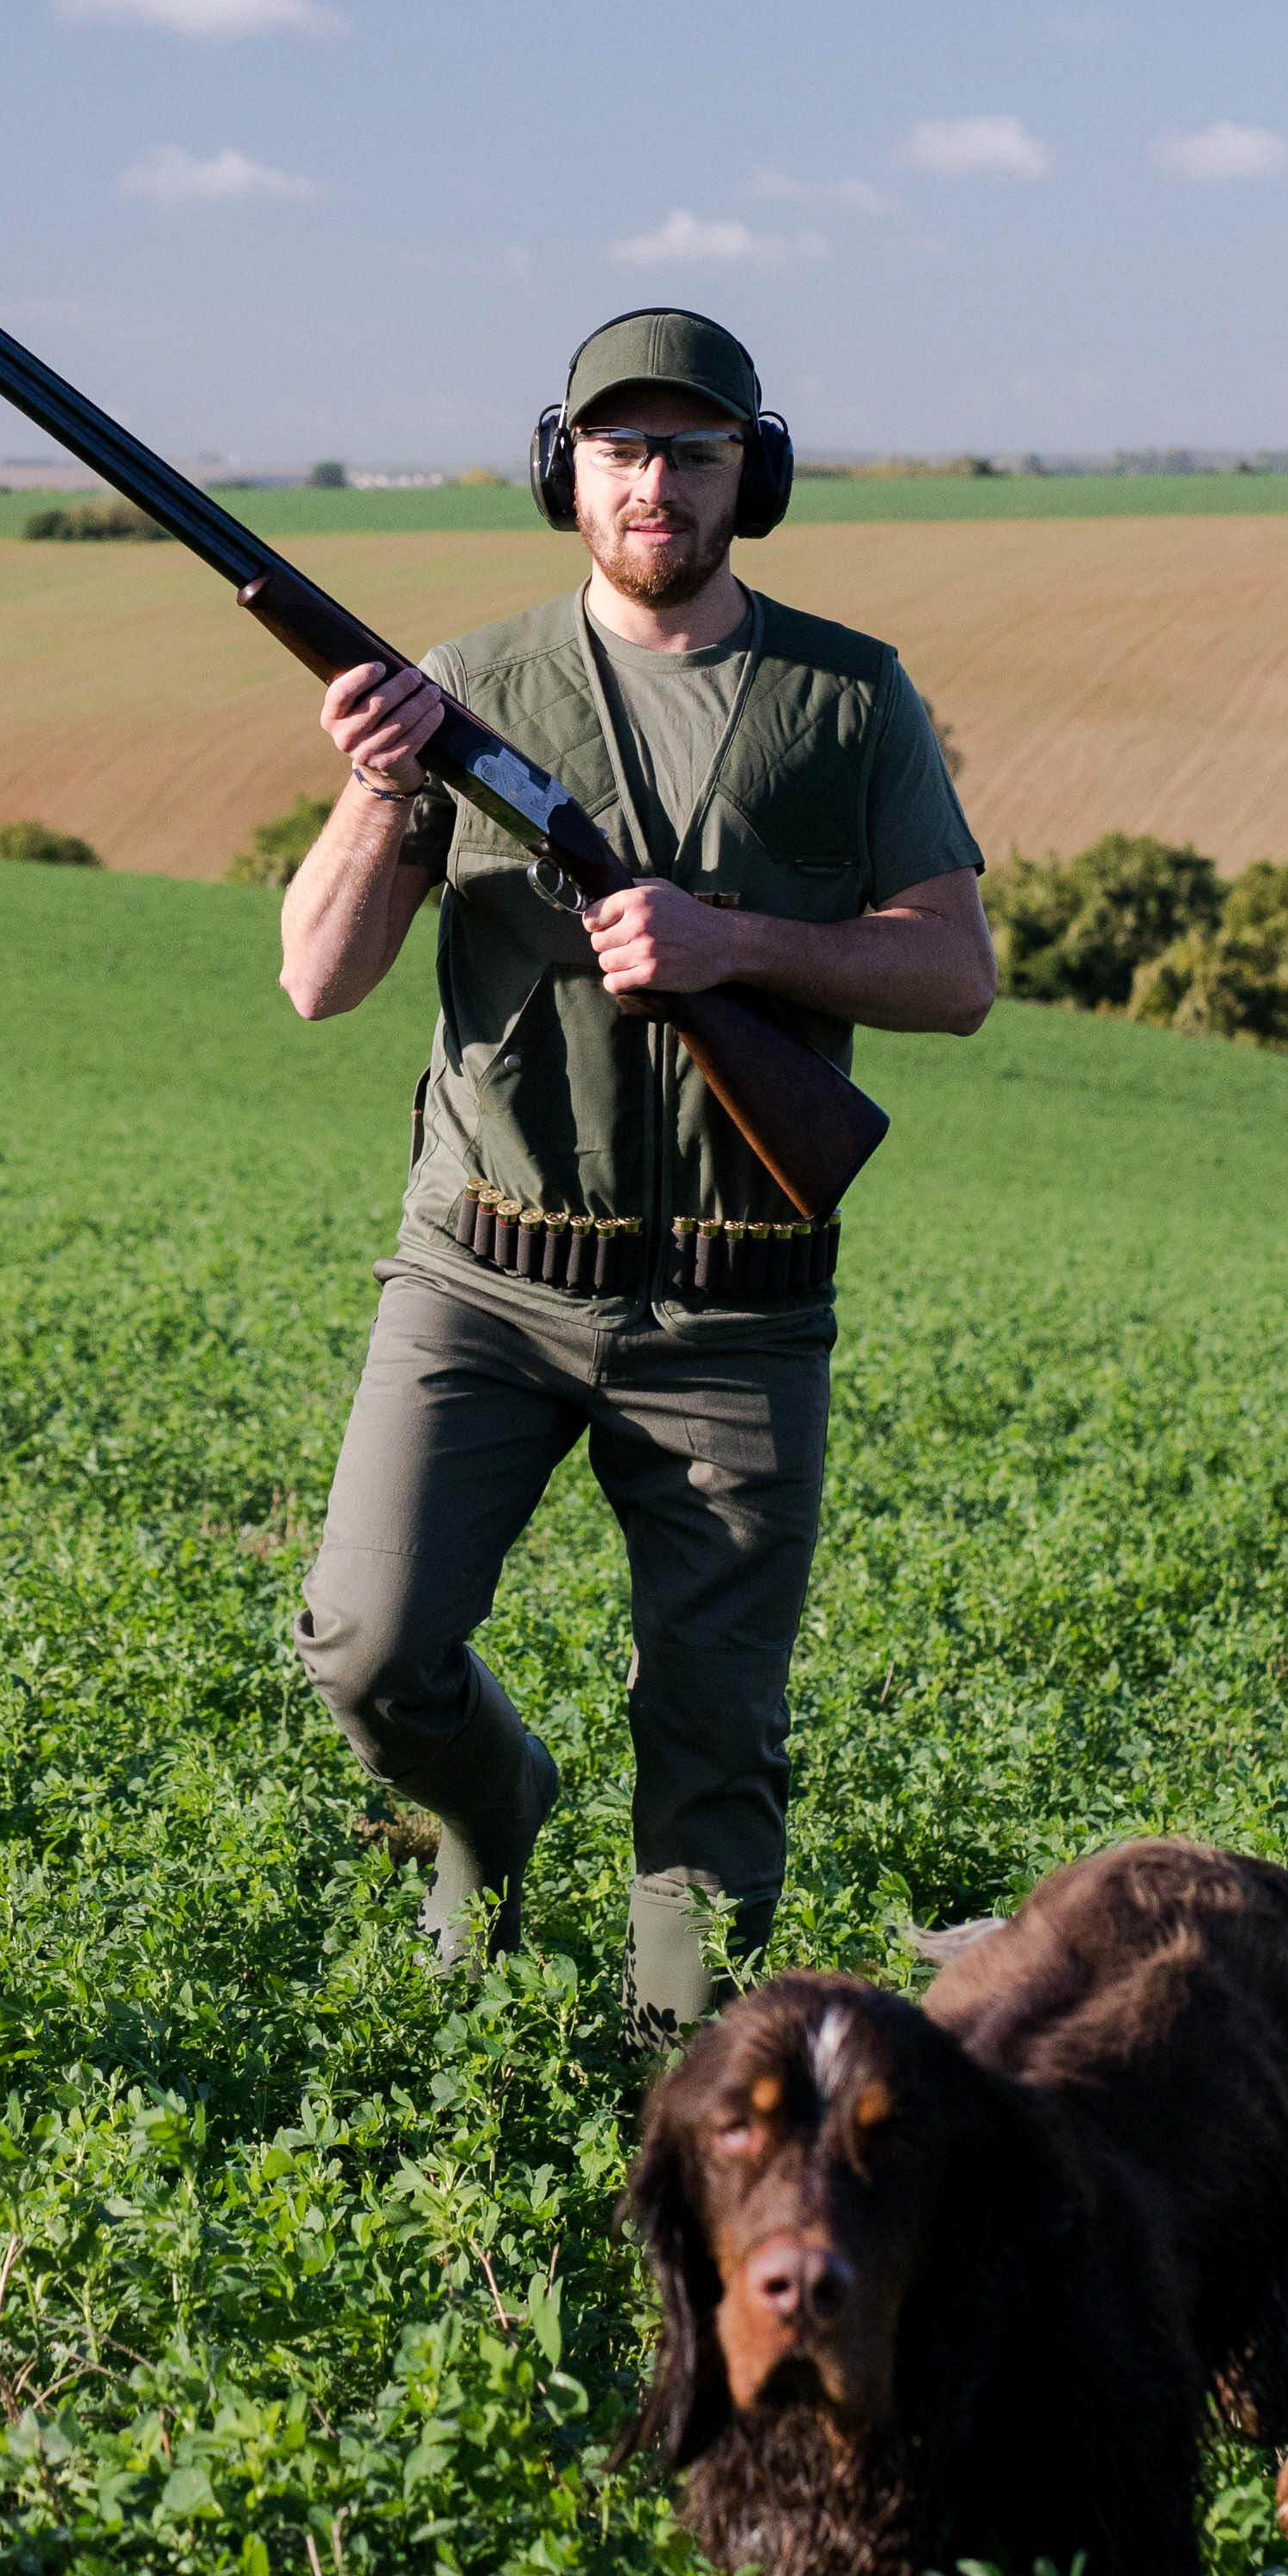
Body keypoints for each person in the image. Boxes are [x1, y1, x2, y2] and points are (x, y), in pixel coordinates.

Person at [274, 306, 993, 2029]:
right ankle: (495, 1806)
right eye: (619, 447)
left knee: (715, 1764)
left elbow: (952, 973)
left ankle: (674, 2137)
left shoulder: (846, 696)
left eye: (689, 447)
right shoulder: (465, 690)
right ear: (562, 470)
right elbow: (317, 972)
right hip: (486, 1277)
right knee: (368, 1652)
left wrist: (725, 938)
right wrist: (382, 786)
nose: (652, 479)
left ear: (756, 470)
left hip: (738, 1316)